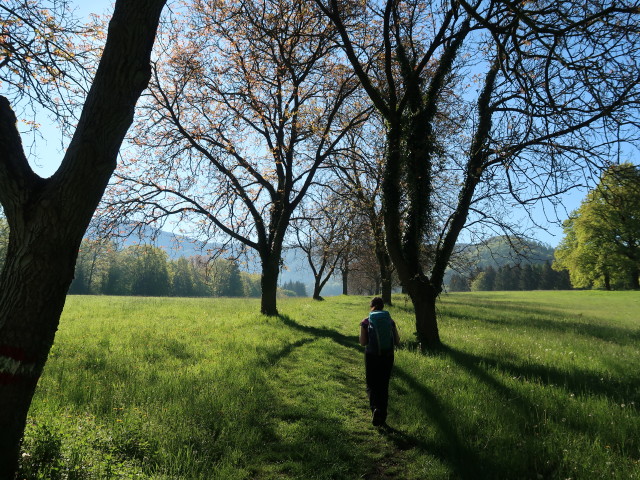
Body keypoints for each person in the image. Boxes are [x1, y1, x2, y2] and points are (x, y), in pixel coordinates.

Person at [359, 297, 400, 426]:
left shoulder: (366, 322)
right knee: (384, 385)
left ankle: (375, 409)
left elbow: (363, 342)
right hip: (387, 356)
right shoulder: (390, 320)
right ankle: (383, 415)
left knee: (372, 384)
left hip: (372, 356)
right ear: (383, 307)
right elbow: (397, 341)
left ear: (371, 307)